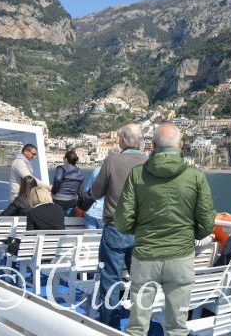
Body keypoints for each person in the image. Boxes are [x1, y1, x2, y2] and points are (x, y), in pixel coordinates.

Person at [115, 122, 216, 336]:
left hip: (145, 257)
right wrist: (192, 235)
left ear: (152, 145)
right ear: (181, 145)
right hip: (180, 258)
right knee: (177, 327)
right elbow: (207, 223)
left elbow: (122, 221)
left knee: (137, 327)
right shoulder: (195, 176)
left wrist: (141, 230)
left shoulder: (137, 175)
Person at [90, 123, 147, 329]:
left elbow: (96, 192)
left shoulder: (112, 160)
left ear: (122, 140)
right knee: (141, 281)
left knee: (110, 278)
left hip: (116, 228)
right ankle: (141, 326)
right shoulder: (151, 163)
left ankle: (109, 326)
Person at [52, 149, 85, 216]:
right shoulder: (80, 172)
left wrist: (54, 192)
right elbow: (80, 190)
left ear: (66, 159)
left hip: (59, 199)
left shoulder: (61, 168)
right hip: (73, 201)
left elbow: (57, 179)